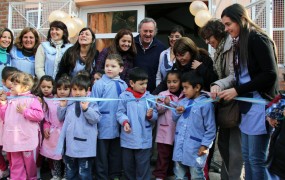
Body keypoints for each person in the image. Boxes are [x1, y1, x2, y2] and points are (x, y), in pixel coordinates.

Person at [214, 4, 278, 180]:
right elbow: (239, 76)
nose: (226, 29)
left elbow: (270, 75)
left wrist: (236, 90)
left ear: (241, 20)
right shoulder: (240, 42)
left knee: (256, 160)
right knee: (249, 159)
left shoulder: (258, 39)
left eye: (228, 24)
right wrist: (222, 87)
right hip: (247, 108)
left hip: (260, 107)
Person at [200, 19, 243, 180]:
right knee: (224, 146)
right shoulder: (218, 50)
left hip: (234, 104)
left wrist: (218, 84)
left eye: (208, 37)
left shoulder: (230, 46)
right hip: (225, 105)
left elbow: (233, 76)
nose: (207, 41)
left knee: (235, 151)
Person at [172, 71, 216, 180]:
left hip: (196, 148)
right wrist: (177, 112)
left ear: (197, 87)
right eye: (183, 88)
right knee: (179, 176)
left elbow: (211, 129)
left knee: (197, 175)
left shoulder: (206, 104)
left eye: (186, 88)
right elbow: (174, 118)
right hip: (180, 147)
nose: (184, 91)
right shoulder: (182, 102)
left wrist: (205, 145)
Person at [0, 72, 44, 180]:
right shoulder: (10, 100)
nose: (11, 85)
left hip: (27, 139)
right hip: (13, 139)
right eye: (12, 83)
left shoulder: (32, 99)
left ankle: (32, 178)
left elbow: (39, 115)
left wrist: (25, 111)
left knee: (30, 164)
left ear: (25, 87)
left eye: (15, 84)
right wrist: (3, 104)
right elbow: (4, 117)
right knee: (16, 164)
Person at [56, 74, 101, 180]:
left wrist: (86, 109)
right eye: (74, 89)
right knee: (71, 172)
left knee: (84, 173)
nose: (77, 92)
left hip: (85, 146)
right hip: (70, 145)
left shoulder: (91, 103)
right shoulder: (69, 102)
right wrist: (62, 107)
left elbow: (96, 119)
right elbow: (60, 117)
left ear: (87, 90)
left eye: (80, 89)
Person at [116, 67, 158, 180]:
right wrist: (125, 122)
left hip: (144, 140)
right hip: (128, 139)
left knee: (143, 168)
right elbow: (120, 113)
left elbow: (155, 116)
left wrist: (150, 115)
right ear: (131, 83)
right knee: (128, 168)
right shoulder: (124, 96)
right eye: (141, 84)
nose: (144, 86)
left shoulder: (150, 98)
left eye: (146, 83)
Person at [91, 54, 128, 180]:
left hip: (119, 126)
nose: (109, 69)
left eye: (113, 66)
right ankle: (101, 176)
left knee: (115, 153)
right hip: (103, 125)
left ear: (121, 69)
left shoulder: (124, 85)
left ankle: (115, 175)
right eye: (107, 66)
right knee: (102, 154)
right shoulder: (100, 84)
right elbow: (94, 105)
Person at [153, 37, 218, 95]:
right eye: (177, 56)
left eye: (182, 55)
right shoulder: (177, 65)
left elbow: (214, 80)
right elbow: (165, 82)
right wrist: (153, 96)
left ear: (191, 52)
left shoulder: (203, 59)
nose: (180, 58)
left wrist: (201, 68)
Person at [152, 70, 184, 180]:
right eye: (169, 82)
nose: (172, 84)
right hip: (165, 131)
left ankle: (173, 174)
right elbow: (158, 110)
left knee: (176, 155)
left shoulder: (185, 95)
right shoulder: (163, 94)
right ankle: (160, 176)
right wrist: (165, 105)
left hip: (180, 131)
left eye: (175, 81)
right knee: (163, 155)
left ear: (181, 82)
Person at [134, 17, 166, 92]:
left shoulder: (161, 48)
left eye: (151, 31)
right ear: (139, 31)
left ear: (155, 32)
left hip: (152, 92)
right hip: (132, 91)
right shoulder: (131, 44)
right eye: (145, 31)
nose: (148, 34)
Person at [0, 66, 19, 178]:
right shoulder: (2, 93)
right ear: (3, 81)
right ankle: (3, 168)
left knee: (12, 153)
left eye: (16, 80)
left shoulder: (18, 94)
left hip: (11, 128)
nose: (13, 83)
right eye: (11, 80)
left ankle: (14, 172)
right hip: (1, 126)